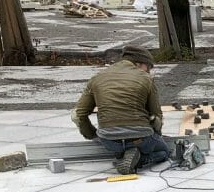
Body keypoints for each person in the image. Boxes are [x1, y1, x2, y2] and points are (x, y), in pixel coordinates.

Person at [72, 46, 168, 175]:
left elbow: (78, 115)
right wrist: (157, 135)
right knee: (164, 152)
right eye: (148, 67)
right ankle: (138, 159)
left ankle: (122, 155)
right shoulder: (146, 79)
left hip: (110, 140)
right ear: (138, 63)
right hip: (141, 138)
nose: (149, 71)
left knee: (119, 145)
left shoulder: (97, 77)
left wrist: (92, 134)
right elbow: (156, 116)